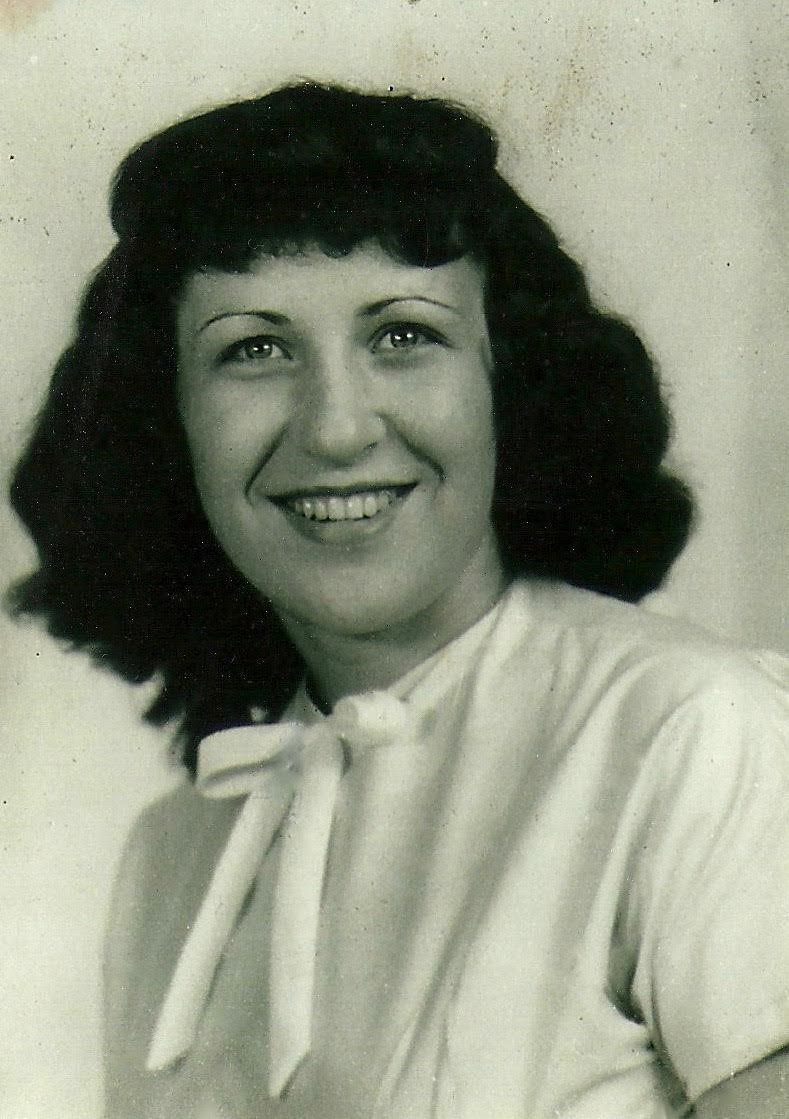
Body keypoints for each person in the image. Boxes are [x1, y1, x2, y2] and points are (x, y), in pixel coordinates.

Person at [8, 82, 789, 1118]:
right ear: (165, 424)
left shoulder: (689, 736)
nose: (336, 429)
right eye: (254, 350)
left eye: (403, 336)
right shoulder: (174, 857)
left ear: (508, 379)